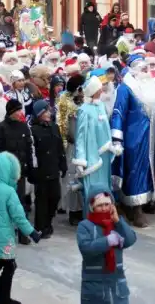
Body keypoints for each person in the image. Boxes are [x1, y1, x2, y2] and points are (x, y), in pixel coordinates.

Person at [0, 152, 42, 304]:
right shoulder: (9, 191)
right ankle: (2, 299)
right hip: (4, 237)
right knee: (9, 265)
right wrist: (32, 233)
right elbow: (19, 217)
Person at [111, 54, 155, 228]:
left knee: (147, 170)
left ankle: (141, 204)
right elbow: (118, 113)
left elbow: (154, 109)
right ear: (133, 70)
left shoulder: (149, 86)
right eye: (142, 68)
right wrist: (116, 139)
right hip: (133, 139)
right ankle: (135, 209)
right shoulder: (125, 89)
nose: (146, 71)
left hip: (150, 137)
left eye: (146, 68)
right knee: (134, 171)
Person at [77, 187, 137, 304]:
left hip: (117, 286)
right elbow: (85, 248)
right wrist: (107, 241)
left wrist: (118, 221)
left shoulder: (116, 223)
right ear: (92, 206)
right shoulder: (85, 226)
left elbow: (130, 240)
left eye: (107, 204)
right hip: (95, 287)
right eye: (99, 205)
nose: (104, 208)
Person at [75, 75, 122, 211]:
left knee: (105, 188)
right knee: (92, 191)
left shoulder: (101, 106)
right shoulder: (84, 110)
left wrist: (112, 146)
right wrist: (80, 160)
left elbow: (105, 129)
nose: (101, 90)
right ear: (94, 90)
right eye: (99, 88)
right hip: (92, 158)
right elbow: (80, 136)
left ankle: (106, 216)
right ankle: (91, 219)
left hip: (105, 156)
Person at [0, 98, 35, 241]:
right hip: (5, 174)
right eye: (17, 110)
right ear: (11, 111)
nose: (20, 113)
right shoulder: (0, 128)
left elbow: (30, 149)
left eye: (20, 110)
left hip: (20, 172)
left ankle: (23, 234)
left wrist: (31, 167)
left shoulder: (24, 127)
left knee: (20, 203)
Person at [29, 99, 66, 238]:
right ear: (39, 114)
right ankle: (41, 226)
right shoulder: (33, 130)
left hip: (53, 168)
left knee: (55, 197)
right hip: (41, 170)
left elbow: (60, 147)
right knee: (42, 200)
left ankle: (48, 221)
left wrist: (63, 164)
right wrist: (33, 170)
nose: (48, 114)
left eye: (48, 111)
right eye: (45, 111)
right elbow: (32, 152)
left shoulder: (54, 127)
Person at [57, 74, 85, 225]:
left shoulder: (86, 103)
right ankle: (73, 211)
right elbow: (62, 125)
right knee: (72, 176)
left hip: (86, 145)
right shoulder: (65, 103)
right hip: (72, 146)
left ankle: (84, 209)